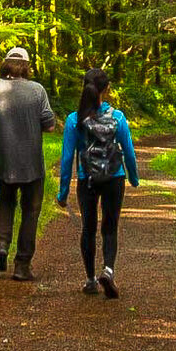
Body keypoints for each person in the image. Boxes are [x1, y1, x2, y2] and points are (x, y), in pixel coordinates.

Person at [57, 68, 141, 300]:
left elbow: (67, 159)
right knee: (110, 227)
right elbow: (129, 152)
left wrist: (63, 192)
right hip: (114, 177)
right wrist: (133, 178)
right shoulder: (118, 117)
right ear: (107, 89)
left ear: (84, 86)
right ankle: (108, 270)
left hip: (88, 180)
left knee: (88, 228)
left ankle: (91, 279)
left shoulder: (74, 120)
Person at [0, 45, 56, 280]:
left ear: (5, 64)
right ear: (26, 66)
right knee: (31, 210)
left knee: (6, 201)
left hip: (1, 160)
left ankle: (1, 246)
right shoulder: (37, 90)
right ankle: (22, 265)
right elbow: (50, 126)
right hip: (31, 163)